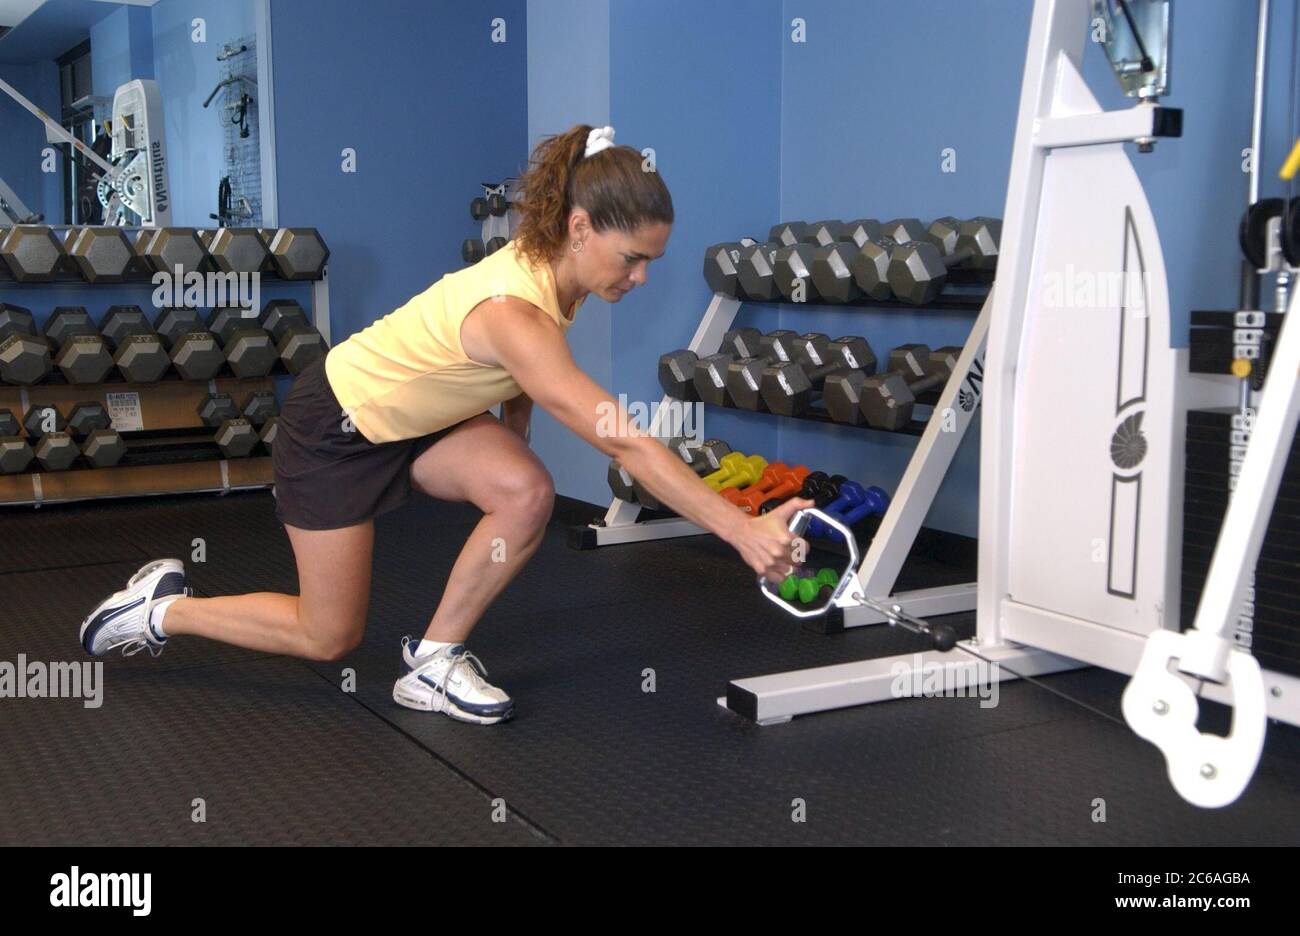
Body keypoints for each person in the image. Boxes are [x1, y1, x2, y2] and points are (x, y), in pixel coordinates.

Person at [80, 124, 811, 725]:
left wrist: (509, 443)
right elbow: (619, 435)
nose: (642, 276)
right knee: (327, 635)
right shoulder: (513, 311)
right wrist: (741, 528)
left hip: (424, 420)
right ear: (581, 228)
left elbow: (527, 382)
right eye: (634, 259)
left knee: (524, 491)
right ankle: (163, 612)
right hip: (333, 426)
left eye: (652, 260)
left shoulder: (560, 274)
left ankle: (432, 661)